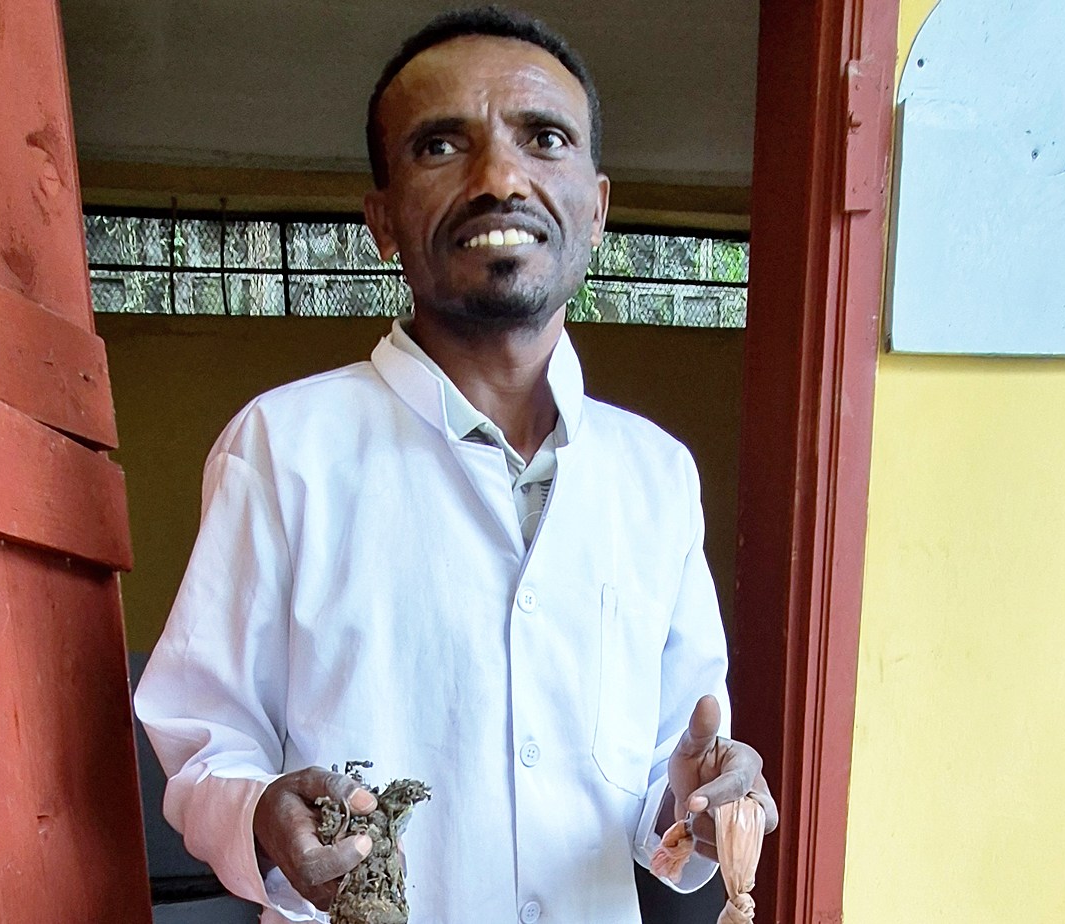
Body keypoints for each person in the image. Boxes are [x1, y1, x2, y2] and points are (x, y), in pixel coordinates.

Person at [135, 8, 777, 924]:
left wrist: (701, 804)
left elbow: (663, 773)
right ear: (384, 220)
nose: (500, 178)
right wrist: (259, 815)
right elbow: (205, 739)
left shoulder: (656, 477)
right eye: (441, 146)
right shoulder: (284, 449)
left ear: (595, 211)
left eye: (543, 138)